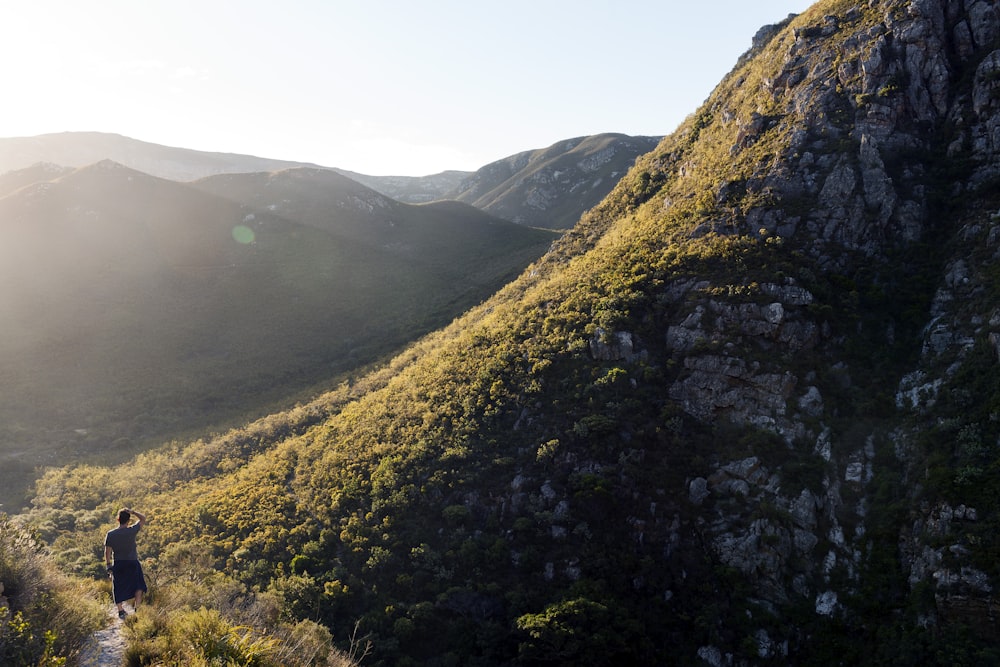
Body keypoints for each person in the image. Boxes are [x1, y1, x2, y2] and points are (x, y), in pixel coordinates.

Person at [104, 507, 147, 619]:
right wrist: (133, 512)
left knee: (118, 586)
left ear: (118, 519)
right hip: (132, 562)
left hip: (119, 563)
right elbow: (143, 519)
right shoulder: (131, 531)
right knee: (139, 586)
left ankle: (121, 610)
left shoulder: (111, 534)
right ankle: (137, 609)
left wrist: (108, 565)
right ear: (128, 521)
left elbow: (107, 551)